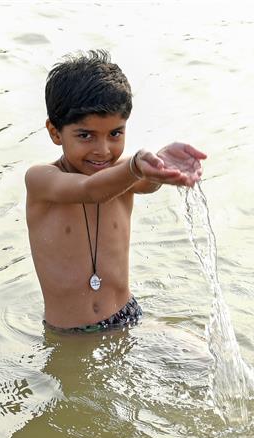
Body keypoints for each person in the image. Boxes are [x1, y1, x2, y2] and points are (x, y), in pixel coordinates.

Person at [25, 49, 206, 334]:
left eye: (115, 134)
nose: (103, 150)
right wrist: (135, 167)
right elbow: (89, 190)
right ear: (55, 132)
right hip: (71, 335)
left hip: (127, 316)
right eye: (85, 136)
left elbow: (149, 182)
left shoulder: (125, 173)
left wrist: (160, 166)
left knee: (202, 361)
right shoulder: (41, 180)